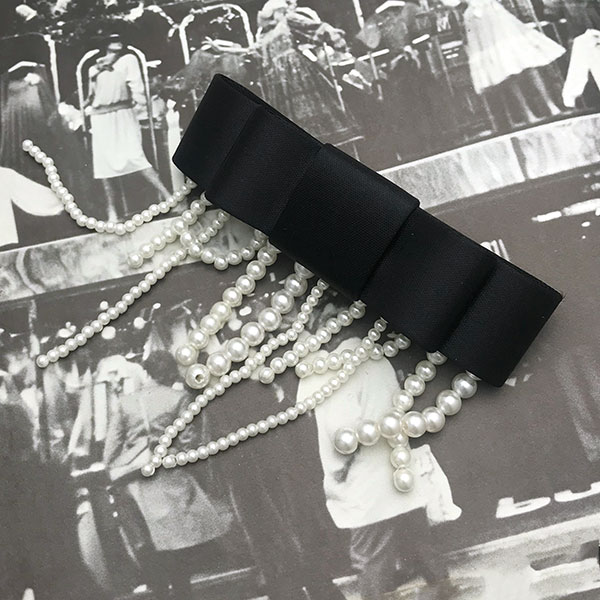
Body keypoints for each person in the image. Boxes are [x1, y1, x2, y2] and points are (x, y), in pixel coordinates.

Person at [298, 311, 462, 600]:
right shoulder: (377, 357)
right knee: (417, 539)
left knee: (370, 556)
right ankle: (444, 588)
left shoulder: (338, 368)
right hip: (397, 464)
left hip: (366, 478)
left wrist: (336, 473)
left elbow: (342, 435)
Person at [102, 350, 229, 599]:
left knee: (149, 541)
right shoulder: (179, 398)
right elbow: (189, 442)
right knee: (176, 542)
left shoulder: (125, 403)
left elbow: (110, 452)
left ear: (146, 372)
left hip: (136, 482)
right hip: (170, 476)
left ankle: (159, 590)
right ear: (170, 372)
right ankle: (182, 591)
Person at [86, 34, 170, 220]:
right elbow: (91, 96)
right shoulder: (93, 67)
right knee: (103, 164)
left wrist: (140, 105)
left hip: (123, 114)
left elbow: (137, 89)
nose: (115, 49)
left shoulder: (128, 60)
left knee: (135, 156)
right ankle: (112, 211)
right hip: (101, 118)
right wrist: (97, 72)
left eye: (119, 45)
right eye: (111, 46)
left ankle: (168, 197)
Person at [256, 0, 361, 146]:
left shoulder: (288, 21)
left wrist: (334, 38)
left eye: (283, 10)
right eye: (279, 11)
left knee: (309, 102)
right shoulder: (265, 35)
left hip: (294, 70)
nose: (283, 13)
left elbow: (312, 27)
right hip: (277, 77)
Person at [462, 0, 565, 127]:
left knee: (527, 59)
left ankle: (550, 105)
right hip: (478, 20)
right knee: (505, 67)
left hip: (496, 12)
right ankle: (527, 113)